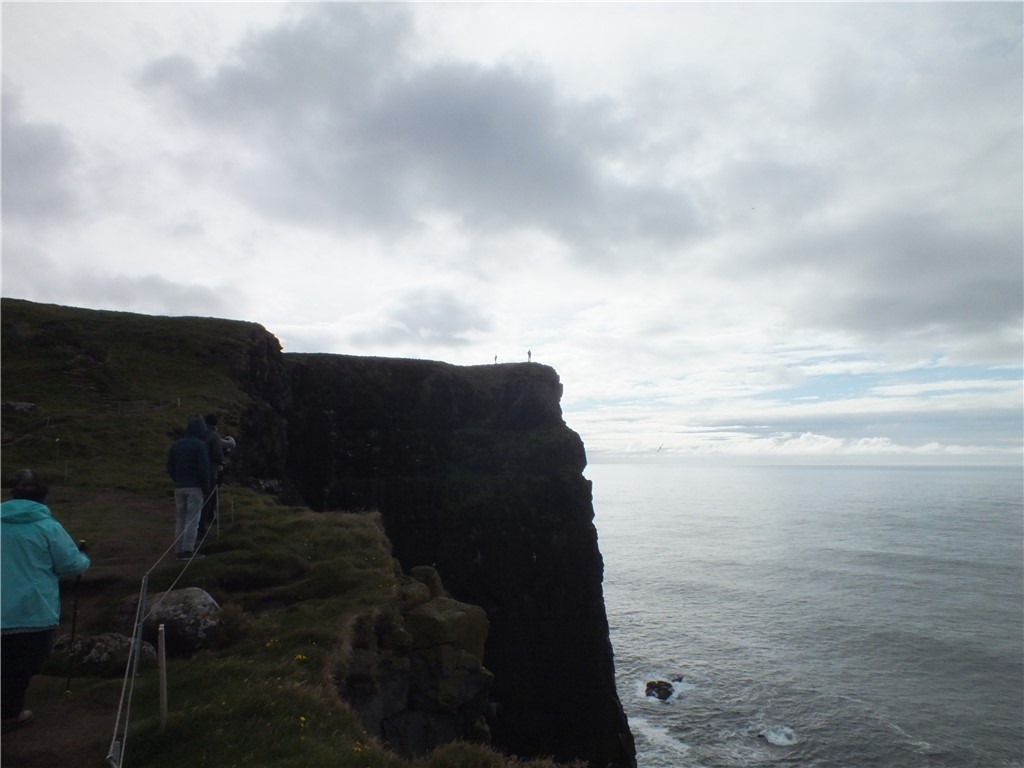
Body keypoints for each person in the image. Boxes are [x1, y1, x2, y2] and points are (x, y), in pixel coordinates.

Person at [1, 471, 90, 733]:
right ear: (43, 499)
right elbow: (70, 565)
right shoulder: (48, 528)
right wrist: (85, 559)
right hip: (33, 610)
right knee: (24, 662)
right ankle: (9, 713)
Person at [167, 416, 211, 560]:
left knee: (180, 519)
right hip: (195, 488)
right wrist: (206, 488)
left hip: (179, 487)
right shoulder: (200, 445)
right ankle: (188, 551)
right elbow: (204, 469)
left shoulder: (177, 445)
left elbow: (170, 466)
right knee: (192, 519)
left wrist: (177, 480)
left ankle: (179, 551)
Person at [198, 414, 236, 540]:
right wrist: (222, 461)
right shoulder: (213, 436)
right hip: (211, 472)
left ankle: (200, 524)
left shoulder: (197, 435)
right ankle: (203, 526)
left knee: (199, 499)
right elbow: (230, 445)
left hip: (196, 473)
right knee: (208, 498)